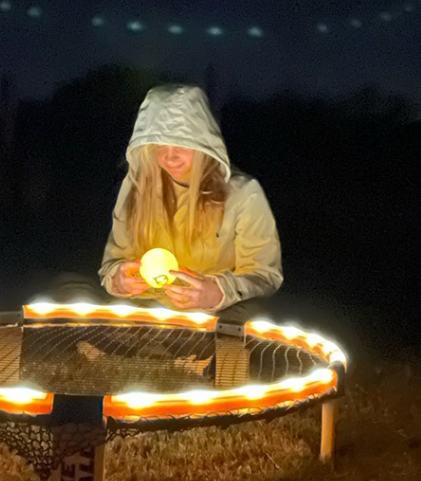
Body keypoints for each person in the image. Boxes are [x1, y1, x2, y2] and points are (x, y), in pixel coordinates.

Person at [97, 83, 283, 322]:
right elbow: (113, 263)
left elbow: (265, 276)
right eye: (159, 146)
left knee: (249, 315)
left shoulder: (244, 194)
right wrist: (118, 279)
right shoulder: (137, 188)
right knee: (70, 288)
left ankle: (219, 358)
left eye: (182, 145)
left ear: (204, 143)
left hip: (214, 318)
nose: (170, 157)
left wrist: (218, 292)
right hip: (148, 313)